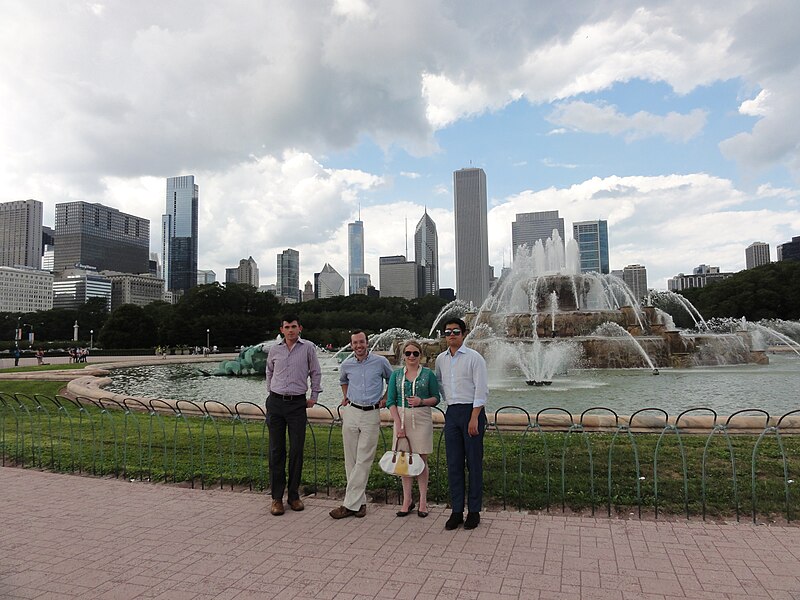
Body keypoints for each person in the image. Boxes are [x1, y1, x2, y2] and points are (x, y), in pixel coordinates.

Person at [329, 330, 393, 519]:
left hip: (371, 413)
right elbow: (343, 381)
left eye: (362, 342)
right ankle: (360, 503)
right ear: (351, 345)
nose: (359, 346)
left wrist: (385, 397)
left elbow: (392, 380)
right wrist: (346, 396)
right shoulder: (347, 364)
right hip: (352, 412)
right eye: (355, 343)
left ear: (367, 342)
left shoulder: (380, 362)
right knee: (351, 460)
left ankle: (348, 505)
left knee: (364, 459)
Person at [266, 314, 322, 516]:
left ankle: (294, 495)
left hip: (297, 404)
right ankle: (276, 498)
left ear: (300, 328)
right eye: (287, 327)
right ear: (282, 329)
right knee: (276, 451)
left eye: (294, 327)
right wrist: (271, 392)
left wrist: (314, 395)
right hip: (276, 403)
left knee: (297, 450)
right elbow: (269, 372)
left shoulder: (307, 348)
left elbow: (315, 372)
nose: (290, 330)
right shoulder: (274, 349)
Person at [435, 318, 488, 530]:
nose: (451, 335)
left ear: (464, 333)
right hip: (453, 412)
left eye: (456, 331)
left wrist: (475, 416)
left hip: (471, 411)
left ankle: (474, 511)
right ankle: (457, 510)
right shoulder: (441, 359)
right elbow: (439, 383)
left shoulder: (475, 358)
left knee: (473, 463)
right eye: (448, 332)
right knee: (454, 464)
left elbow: (481, 389)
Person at [387, 339, 440, 518]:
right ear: (403, 356)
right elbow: (390, 401)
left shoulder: (428, 374)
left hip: (421, 417)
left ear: (420, 356)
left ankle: (423, 501)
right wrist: (397, 423)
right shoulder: (396, 375)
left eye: (415, 353)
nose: (411, 356)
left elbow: (436, 398)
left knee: (421, 459)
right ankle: (407, 500)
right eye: (408, 353)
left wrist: (421, 401)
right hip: (401, 419)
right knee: (404, 460)